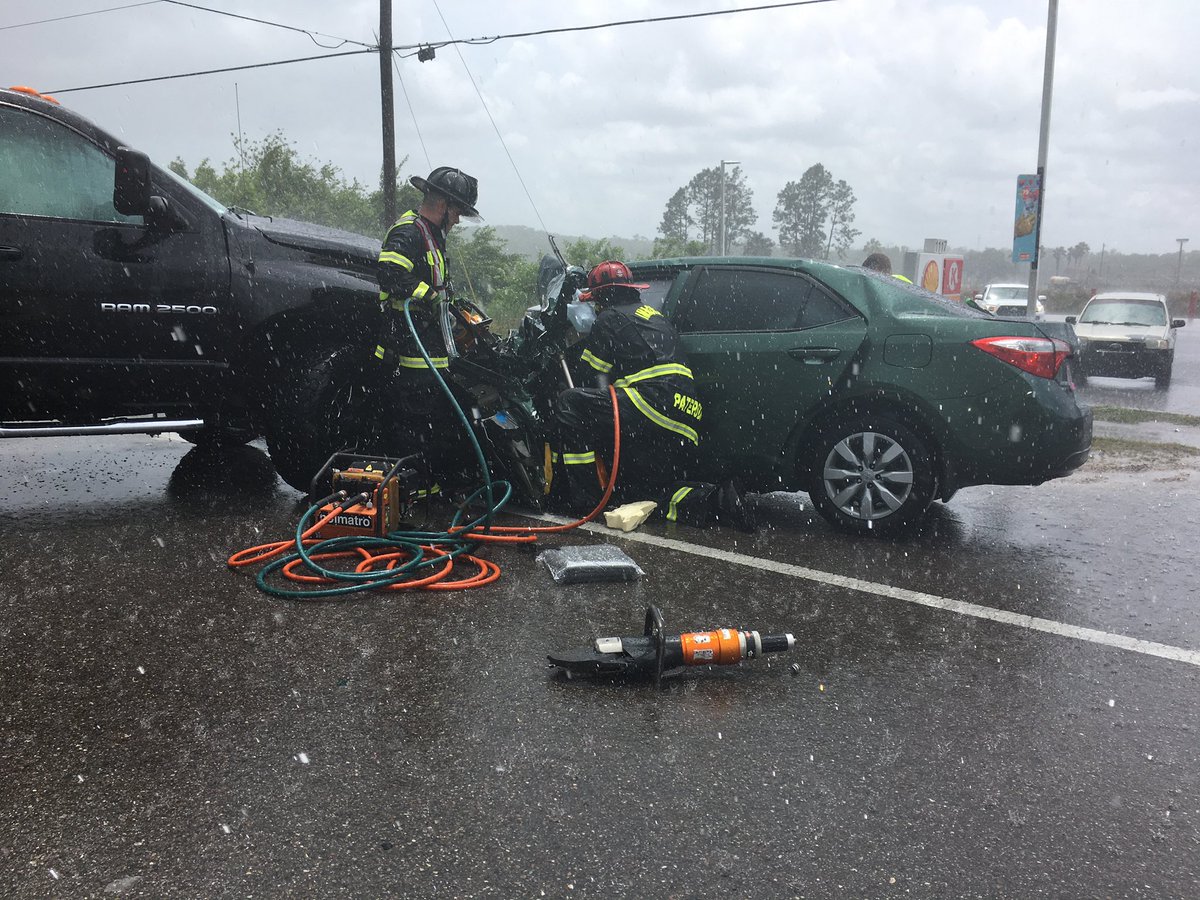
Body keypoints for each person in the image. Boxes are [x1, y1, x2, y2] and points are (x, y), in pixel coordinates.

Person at [550, 260, 703, 511]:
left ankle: (583, 501)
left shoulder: (610, 317)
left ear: (603, 296)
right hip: (686, 412)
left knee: (570, 401)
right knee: (641, 492)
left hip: (655, 401)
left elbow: (591, 374)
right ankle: (712, 500)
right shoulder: (654, 315)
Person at [373, 166, 480, 476]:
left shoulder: (432, 236)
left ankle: (429, 485)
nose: (458, 220)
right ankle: (411, 486)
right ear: (443, 205)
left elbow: (437, 284)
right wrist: (430, 298)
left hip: (429, 349)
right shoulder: (408, 232)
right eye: (457, 211)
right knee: (413, 421)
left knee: (430, 418)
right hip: (407, 349)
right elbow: (390, 274)